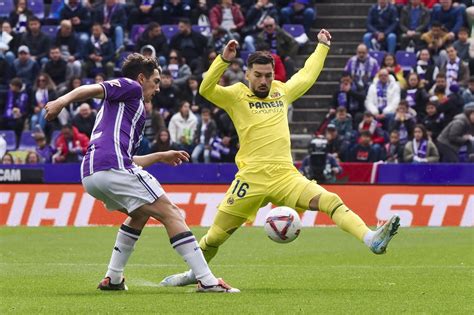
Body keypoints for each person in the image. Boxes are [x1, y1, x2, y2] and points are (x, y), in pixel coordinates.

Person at [160, 33, 401, 287]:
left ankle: (371, 239)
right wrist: (222, 60)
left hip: (286, 176)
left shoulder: (281, 92)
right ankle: (192, 275)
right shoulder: (236, 95)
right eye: (258, 75)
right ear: (247, 75)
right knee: (214, 238)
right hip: (250, 180)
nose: (264, 81)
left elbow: (307, 75)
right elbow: (205, 89)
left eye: (268, 75)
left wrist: (322, 47)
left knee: (330, 200)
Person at [44, 53, 239, 292]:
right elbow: (90, 88)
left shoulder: (123, 109)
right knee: (171, 213)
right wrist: (60, 101)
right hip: (112, 168)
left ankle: (113, 278)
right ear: (141, 78)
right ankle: (207, 280)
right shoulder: (131, 87)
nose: (158, 88)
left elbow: (129, 158)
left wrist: (160, 155)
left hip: (92, 175)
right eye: (155, 81)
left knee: (139, 213)